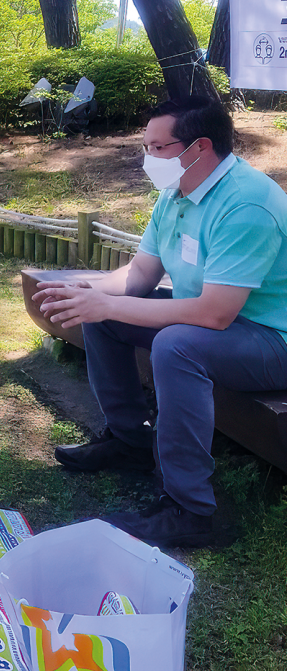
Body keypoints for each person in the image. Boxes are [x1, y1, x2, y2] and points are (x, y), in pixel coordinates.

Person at [34, 96, 287, 548]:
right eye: (145, 146)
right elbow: (139, 275)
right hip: (216, 323)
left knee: (176, 346)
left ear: (199, 148)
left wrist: (109, 306)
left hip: (271, 338)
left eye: (157, 148)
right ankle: (131, 442)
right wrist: (88, 295)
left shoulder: (248, 203)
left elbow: (214, 312)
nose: (146, 159)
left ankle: (190, 509)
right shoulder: (177, 193)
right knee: (103, 315)